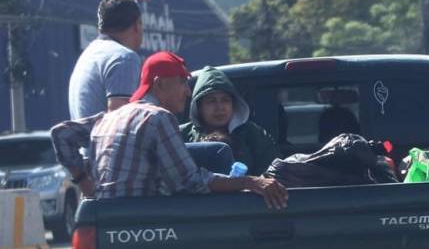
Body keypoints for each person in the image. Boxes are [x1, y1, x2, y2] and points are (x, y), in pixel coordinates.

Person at [51, 52, 288, 209]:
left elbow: (61, 133)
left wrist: (84, 183)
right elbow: (190, 182)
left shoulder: (111, 117)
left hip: (106, 219)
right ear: (160, 84)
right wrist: (251, 182)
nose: (187, 91)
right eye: (182, 82)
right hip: (146, 226)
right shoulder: (158, 118)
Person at [181, 66, 280, 175]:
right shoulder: (182, 135)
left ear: (234, 105)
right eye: (211, 101)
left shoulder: (253, 135)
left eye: (225, 100)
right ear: (199, 107)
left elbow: (273, 174)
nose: (219, 107)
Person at [68, 0, 144, 119]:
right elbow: (120, 124)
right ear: (136, 25)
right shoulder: (124, 57)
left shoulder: (88, 55)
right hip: (102, 138)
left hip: (84, 137)